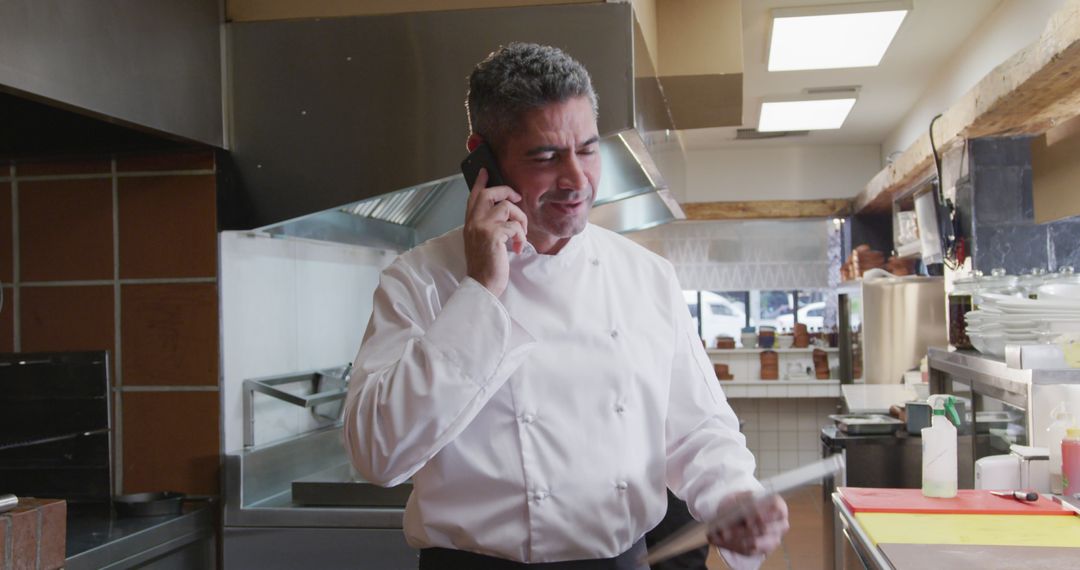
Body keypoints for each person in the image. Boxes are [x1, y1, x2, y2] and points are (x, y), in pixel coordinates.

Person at [343, 42, 788, 569]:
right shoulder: (420, 279)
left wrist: (733, 495)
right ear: (482, 158)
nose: (577, 180)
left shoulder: (645, 277)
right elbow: (378, 455)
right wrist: (482, 291)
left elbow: (698, 427)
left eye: (588, 149)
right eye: (546, 156)